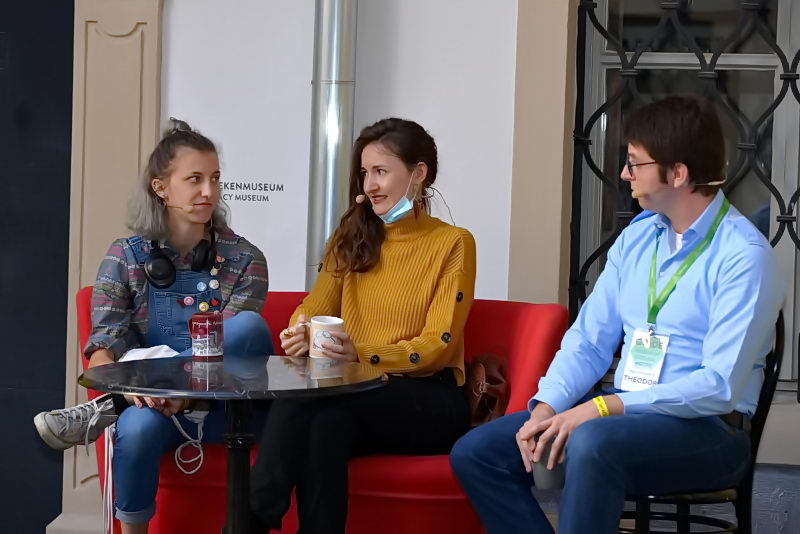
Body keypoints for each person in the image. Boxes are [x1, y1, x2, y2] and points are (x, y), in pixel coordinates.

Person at [450, 95, 784, 534]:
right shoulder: (637, 238)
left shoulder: (744, 256)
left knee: (592, 442)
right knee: (477, 453)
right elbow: (589, 341)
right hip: (621, 418)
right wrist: (546, 408)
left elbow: (718, 387)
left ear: (678, 173)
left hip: (709, 431)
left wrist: (602, 408)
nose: (625, 174)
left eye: (634, 163)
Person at [34, 120, 272, 533]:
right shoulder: (124, 257)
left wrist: (161, 385)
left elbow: (237, 354)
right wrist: (134, 388)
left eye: (215, 178)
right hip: (152, 409)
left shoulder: (245, 259)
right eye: (194, 179)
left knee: (248, 327)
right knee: (138, 427)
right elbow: (102, 351)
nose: (209, 191)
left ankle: (112, 407)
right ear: (160, 188)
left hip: (224, 407)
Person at [248, 118, 476, 533]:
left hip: (427, 398)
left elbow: (437, 346)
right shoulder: (351, 235)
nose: (370, 184)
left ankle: (251, 520)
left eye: (381, 171)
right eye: (365, 172)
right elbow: (314, 307)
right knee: (325, 428)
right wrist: (299, 330)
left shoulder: (453, 243)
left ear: (418, 173)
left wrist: (361, 354)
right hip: (352, 392)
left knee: (310, 398)